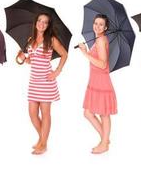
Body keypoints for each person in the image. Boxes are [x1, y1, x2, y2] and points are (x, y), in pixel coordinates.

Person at [17, 13, 68, 155]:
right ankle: (42, 139)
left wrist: (57, 71)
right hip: (34, 82)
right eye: (40, 21)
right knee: (32, 113)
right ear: (36, 23)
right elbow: (30, 60)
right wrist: (22, 58)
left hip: (46, 81)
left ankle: (43, 143)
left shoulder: (51, 39)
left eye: (45, 22)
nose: (42, 24)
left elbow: (64, 54)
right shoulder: (30, 39)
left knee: (45, 114)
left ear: (48, 25)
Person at [77, 14, 117, 154]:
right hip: (95, 80)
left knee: (103, 114)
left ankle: (104, 143)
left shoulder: (100, 40)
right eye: (96, 23)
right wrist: (87, 51)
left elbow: (102, 64)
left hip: (101, 81)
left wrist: (85, 54)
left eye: (101, 24)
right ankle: (105, 139)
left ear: (105, 27)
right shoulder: (98, 39)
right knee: (89, 113)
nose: (97, 26)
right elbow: (98, 59)